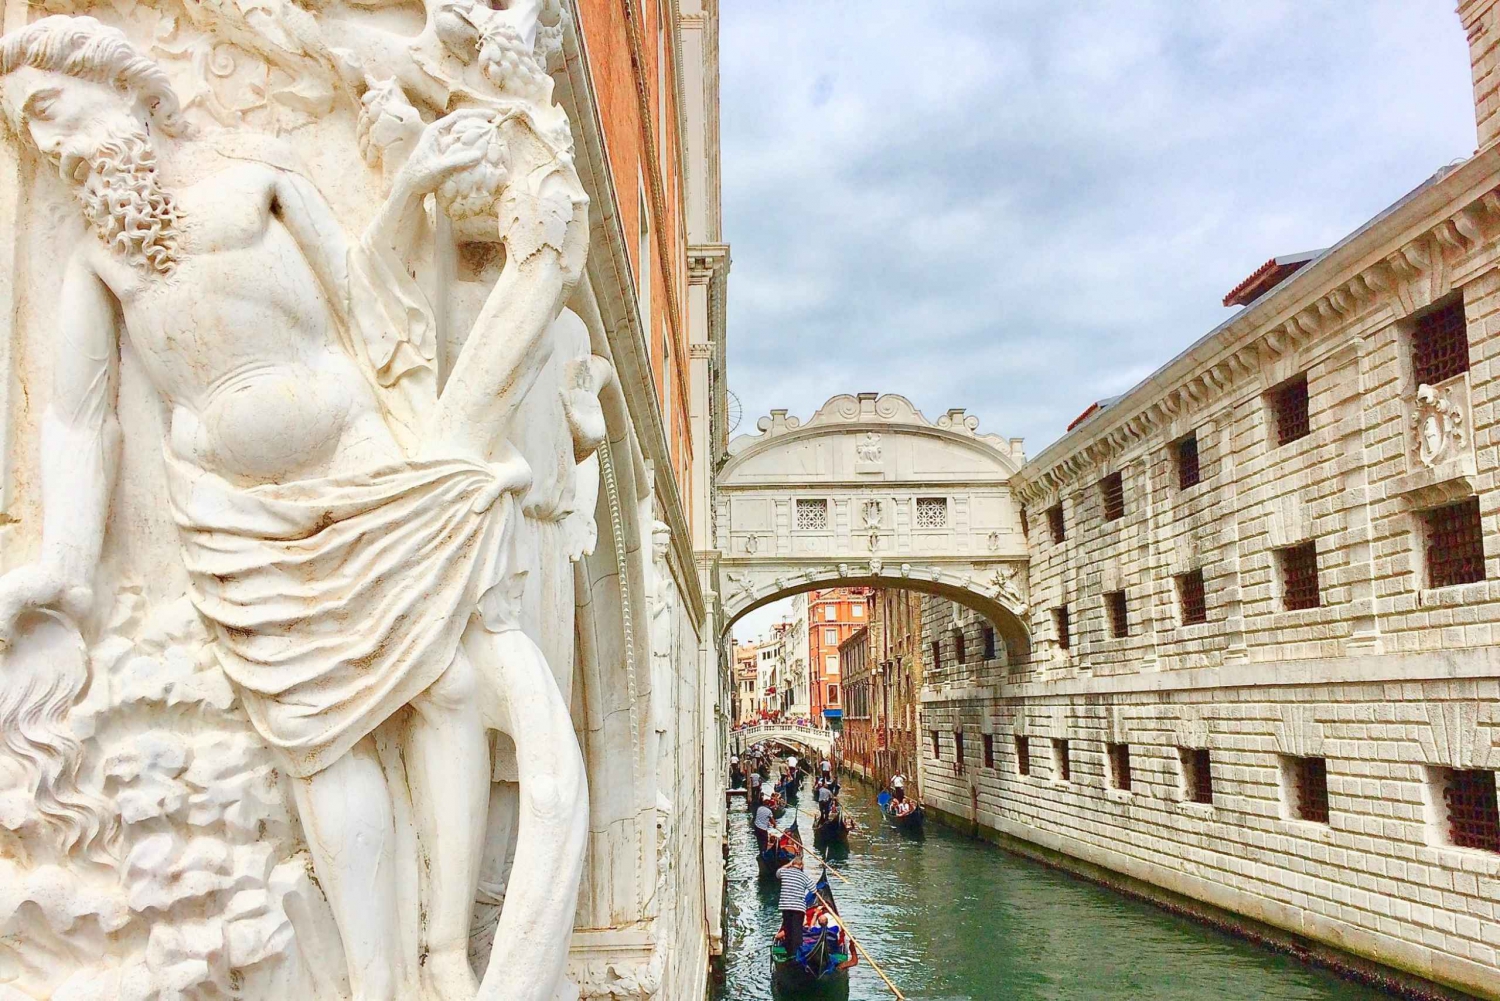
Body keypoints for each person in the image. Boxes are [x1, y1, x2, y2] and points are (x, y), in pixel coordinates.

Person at [775, 844, 812, 959]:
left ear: (792, 864)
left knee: (788, 929)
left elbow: (777, 873)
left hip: (786, 906)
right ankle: (797, 954)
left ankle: (789, 952)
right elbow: (814, 889)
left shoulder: (784, 872)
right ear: (801, 866)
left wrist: (788, 864)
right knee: (797, 931)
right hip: (798, 908)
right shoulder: (804, 876)